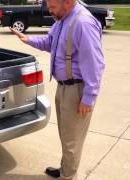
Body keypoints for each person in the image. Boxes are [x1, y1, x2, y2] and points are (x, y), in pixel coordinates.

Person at [10, 0, 105, 179]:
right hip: (63, 88)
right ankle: (65, 170)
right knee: (66, 135)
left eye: (53, 7)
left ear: (68, 2)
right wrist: (29, 39)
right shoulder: (62, 19)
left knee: (72, 142)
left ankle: (68, 176)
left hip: (76, 91)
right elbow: (50, 42)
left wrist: (88, 98)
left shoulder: (83, 23)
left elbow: (95, 65)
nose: (50, 11)